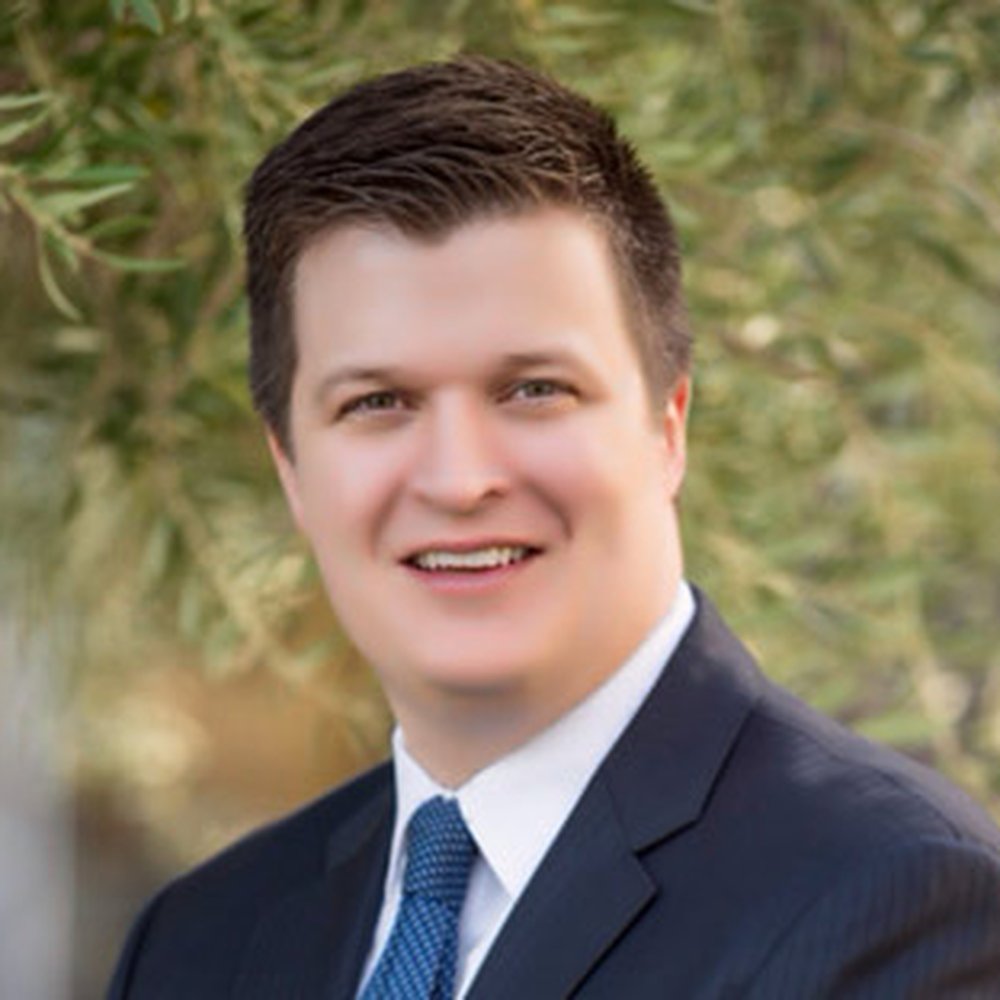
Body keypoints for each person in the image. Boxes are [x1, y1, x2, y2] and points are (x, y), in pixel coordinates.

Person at [107, 56, 1000, 999]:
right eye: (377, 402)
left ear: (667, 428)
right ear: (291, 466)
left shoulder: (899, 905)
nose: (460, 481)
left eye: (534, 389)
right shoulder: (195, 945)